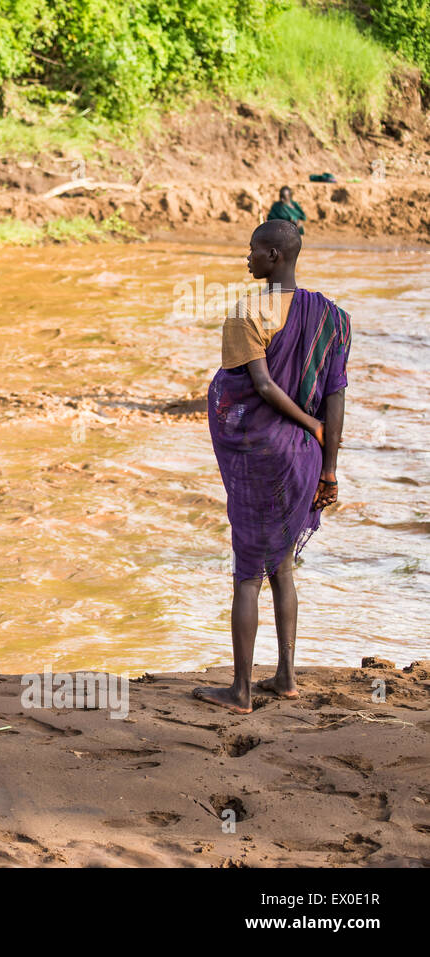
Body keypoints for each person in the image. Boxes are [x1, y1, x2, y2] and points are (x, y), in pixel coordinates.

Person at [196, 219, 350, 714]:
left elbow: (260, 387)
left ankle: (240, 690)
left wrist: (307, 422)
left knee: (247, 572)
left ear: (274, 258)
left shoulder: (248, 312)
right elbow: (336, 400)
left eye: (253, 251)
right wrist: (329, 467)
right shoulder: (332, 317)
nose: (247, 259)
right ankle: (285, 677)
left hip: (263, 456)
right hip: (305, 458)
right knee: (282, 567)